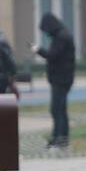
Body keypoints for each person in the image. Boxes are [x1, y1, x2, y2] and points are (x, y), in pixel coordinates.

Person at [34, 13, 75, 149]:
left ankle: (60, 139)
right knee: (59, 109)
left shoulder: (61, 38)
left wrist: (38, 50)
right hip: (61, 78)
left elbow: (52, 55)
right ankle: (60, 137)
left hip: (61, 79)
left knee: (57, 110)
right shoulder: (62, 36)